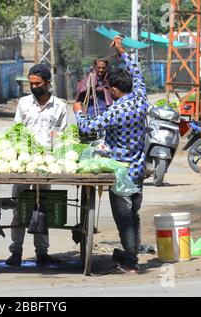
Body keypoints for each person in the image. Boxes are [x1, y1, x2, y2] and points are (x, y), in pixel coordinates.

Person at [73, 36, 149, 274]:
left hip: (120, 173)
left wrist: (78, 112)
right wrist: (122, 52)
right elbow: (137, 74)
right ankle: (131, 253)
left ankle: (131, 262)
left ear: (115, 90)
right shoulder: (141, 98)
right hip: (138, 170)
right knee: (133, 215)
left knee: (124, 218)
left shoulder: (116, 110)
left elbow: (87, 128)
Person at [6, 64, 68, 266]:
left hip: (46, 164)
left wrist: (57, 158)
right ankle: (16, 251)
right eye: (31, 83)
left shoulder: (59, 106)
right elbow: (16, 131)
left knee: (42, 207)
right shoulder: (23, 103)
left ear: (48, 83)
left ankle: (42, 251)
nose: (33, 87)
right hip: (24, 162)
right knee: (18, 206)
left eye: (37, 84)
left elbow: (62, 136)